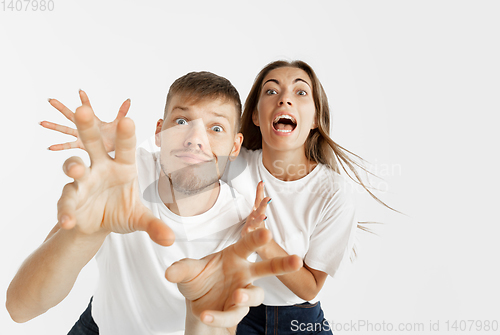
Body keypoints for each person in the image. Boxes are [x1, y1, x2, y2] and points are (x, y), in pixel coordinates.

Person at [6, 72, 302, 335]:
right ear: (160, 132)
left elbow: (216, 323)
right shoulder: (122, 179)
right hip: (99, 326)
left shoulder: (240, 225)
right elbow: (19, 309)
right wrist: (86, 232)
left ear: (235, 146)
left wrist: (201, 320)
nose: (195, 139)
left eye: (216, 128)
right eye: (182, 121)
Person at [222, 60, 391, 334]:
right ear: (255, 115)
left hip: (300, 321)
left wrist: (263, 243)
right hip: (238, 311)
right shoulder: (232, 164)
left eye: (300, 93)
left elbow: (310, 286)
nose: (284, 99)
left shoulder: (334, 191)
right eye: (271, 91)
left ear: (314, 118)